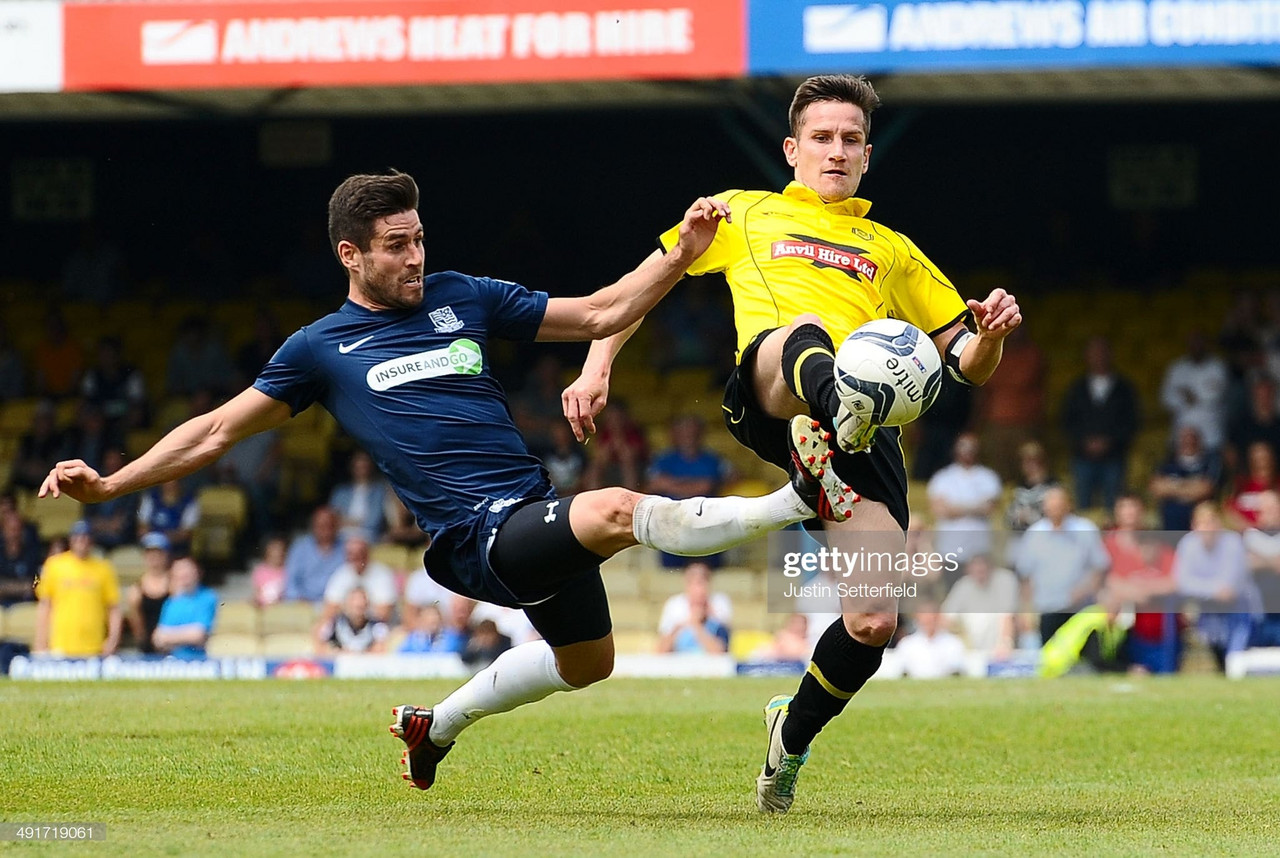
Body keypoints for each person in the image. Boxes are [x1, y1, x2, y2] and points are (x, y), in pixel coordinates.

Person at [38, 169, 826, 796]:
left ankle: (434, 728)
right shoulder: (318, 349)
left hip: (531, 510)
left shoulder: (463, 296)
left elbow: (600, 313)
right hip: (475, 537)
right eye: (393, 245)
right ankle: (799, 496)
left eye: (418, 239)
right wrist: (111, 486)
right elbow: (213, 429)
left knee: (590, 664)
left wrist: (681, 255)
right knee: (618, 508)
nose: (414, 257)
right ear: (351, 255)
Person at [564, 73, 1022, 813]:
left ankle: (791, 735)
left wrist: (992, 334)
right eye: (821, 138)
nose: (835, 151)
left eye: (849, 140)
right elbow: (640, 289)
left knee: (874, 621)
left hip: (863, 434)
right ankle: (832, 409)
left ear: (867, 156)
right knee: (801, 338)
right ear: (791, 147)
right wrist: (596, 365)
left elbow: (963, 360)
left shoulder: (891, 249)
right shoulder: (742, 214)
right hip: (775, 390)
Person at [1015, 486, 1109, 644]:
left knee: (1087, 663)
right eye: (1050, 505)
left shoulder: (1085, 529)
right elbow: (1025, 576)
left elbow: (1100, 567)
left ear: (1068, 505)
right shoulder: (1034, 535)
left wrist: (1085, 590)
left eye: (1059, 504)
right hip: (1048, 609)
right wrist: (1027, 611)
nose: (1054, 509)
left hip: (1082, 609)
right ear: (1044, 507)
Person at [1060, 337, 1140, 511]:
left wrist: (1109, 442)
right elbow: (1068, 421)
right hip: (1083, 458)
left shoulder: (1124, 388)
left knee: (1114, 507)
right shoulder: (1077, 388)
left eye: (1102, 353)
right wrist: (1085, 441)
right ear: (1087, 357)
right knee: (1083, 508)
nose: (1099, 357)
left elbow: (1131, 421)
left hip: (1114, 458)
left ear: (1110, 355)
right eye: (1094, 353)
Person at [646, 415, 732, 567]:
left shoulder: (712, 459)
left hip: (706, 522)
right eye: (684, 431)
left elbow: (708, 485)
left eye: (692, 432)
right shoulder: (664, 459)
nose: (688, 436)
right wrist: (693, 485)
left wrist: (672, 483)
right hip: (673, 523)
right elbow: (655, 484)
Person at [33, 520, 122, 657]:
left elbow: (113, 608)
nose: (82, 541)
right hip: (61, 645)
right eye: (78, 536)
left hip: (93, 646)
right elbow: (45, 604)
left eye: (86, 537)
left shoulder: (104, 568)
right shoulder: (55, 565)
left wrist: (112, 640)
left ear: (92, 540)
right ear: (71, 540)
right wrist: (40, 641)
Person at [1161, 331, 1229, 452]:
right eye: (1192, 343)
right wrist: (1189, 398)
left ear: (1206, 344)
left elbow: (1215, 397)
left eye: (1199, 342)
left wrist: (1187, 395)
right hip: (1181, 435)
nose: (1196, 346)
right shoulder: (1177, 368)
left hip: (1210, 436)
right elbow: (1166, 398)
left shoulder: (1217, 366)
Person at [320, 536, 398, 625]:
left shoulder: (383, 574)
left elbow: (383, 614)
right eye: (351, 553)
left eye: (360, 553)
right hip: (349, 630)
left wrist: (350, 608)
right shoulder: (340, 574)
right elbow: (329, 611)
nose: (355, 557)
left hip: (380, 629)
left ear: (367, 553)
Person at [151, 557, 218, 659]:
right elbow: (158, 639)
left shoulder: (208, 597)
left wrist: (169, 637)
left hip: (198, 661)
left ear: (197, 572)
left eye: (187, 570)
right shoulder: (171, 602)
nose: (183, 574)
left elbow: (198, 635)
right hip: (172, 660)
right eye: (179, 570)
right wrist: (185, 635)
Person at [283, 506, 346, 603]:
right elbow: (291, 582)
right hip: (303, 603)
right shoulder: (300, 547)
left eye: (328, 525)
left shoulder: (346, 548)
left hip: (336, 604)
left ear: (336, 526)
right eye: (320, 525)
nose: (324, 530)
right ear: (313, 526)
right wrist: (299, 599)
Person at [125, 531, 171, 655]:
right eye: (150, 553)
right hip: (148, 648)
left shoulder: (175, 585)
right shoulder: (136, 590)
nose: (154, 558)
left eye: (158, 553)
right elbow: (137, 626)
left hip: (173, 645)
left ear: (166, 555)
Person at [328, 450, 390, 541]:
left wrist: (346, 521)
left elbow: (374, 521)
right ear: (352, 467)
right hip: (340, 534)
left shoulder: (379, 492)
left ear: (371, 467)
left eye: (364, 466)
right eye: (358, 466)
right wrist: (358, 521)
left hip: (368, 536)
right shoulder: (340, 492)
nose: (361, 469)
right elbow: (331, 519)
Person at [893, 606, 966, 679]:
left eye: (932, 619)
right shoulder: (907, 644)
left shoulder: (953, 643)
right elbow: (900, 671)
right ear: (918, 619)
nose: (929, 623)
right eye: (926, 620)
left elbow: (957, 670)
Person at [318, 587, 389, 654]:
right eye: (354, 601)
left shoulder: (377, 625)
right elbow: (321, 645)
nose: (358, 603)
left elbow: (381, 648)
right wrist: (336, 651)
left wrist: (362, 654)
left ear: (367, 604)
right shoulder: (334, 624)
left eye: (361, 602)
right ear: (346, 603)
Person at [250, 535, 288, 608]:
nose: (277, 553)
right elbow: (258, 592)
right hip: (264, 608)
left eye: (280, 550)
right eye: (274, 549)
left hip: (281, 608)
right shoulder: (260, 571)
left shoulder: (287, 570)